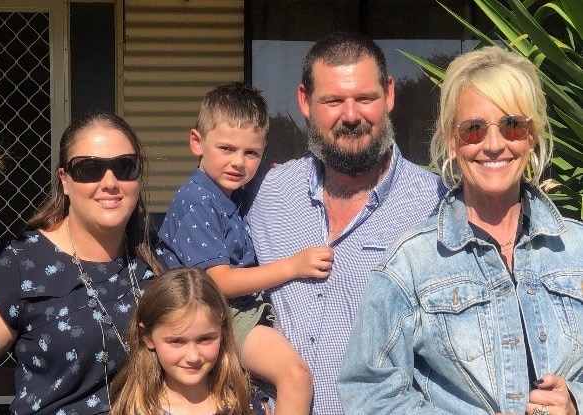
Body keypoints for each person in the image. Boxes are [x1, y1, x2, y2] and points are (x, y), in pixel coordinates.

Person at [337, 46, 583, 415]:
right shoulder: (411, 264)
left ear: (531, 136)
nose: (495, 144)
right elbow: (368, 392)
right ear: (451, 140)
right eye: (474, 129)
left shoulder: (577, 248)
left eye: (513, 126)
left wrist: (575, 400)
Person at [246, 31, 447, 414]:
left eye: (365, 98)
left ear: (388, 94)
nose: (351, 115)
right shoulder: (269, 195)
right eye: (333, 101)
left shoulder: (436, 207)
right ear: (305, 101)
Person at [0, 111, 163, 414]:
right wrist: (37, 381)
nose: (110, 182)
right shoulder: (22, 262)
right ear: (65, 180)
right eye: (89, 169)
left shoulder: (156, 256)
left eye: (125, 167)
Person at [158, 82, 332, 414]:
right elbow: (218, 281)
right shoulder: (196, 201)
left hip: (233, 312)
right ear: (197, 142)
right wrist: (293, 267)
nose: (239, 162)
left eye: (251, 153)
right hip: (212, 314)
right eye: (226, 148)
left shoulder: (228, 190)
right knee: (295, 376)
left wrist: (279, 175)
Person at [111, 267, 252, 415]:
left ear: (222, 332)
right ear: (147, 337)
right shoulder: (137, 410)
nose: (193, 357)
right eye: (177, 341)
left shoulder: (243, 400)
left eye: (205, 339)